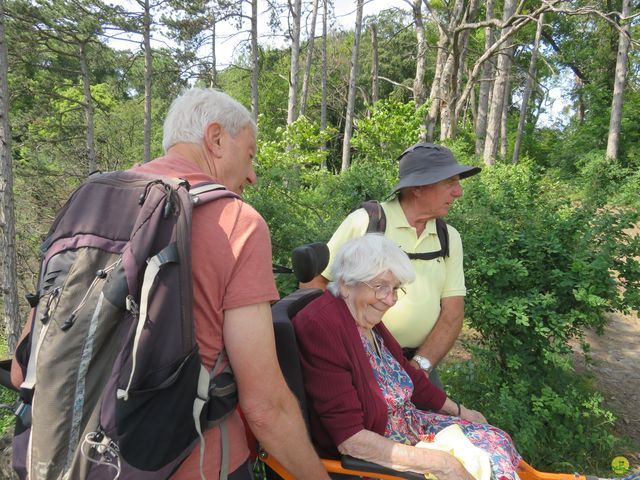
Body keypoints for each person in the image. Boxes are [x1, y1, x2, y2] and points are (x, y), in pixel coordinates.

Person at [12, 88, 329, 480]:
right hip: (195, 466)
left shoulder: (90, 206)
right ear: (215, 139)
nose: (252, 174)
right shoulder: (237, 223)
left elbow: (21, 369)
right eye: (249, 154)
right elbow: (266, 408)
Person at [293, 234, 522, 480]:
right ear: (347, 283)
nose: (390, 300)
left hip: (411, 426)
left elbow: (405, 372)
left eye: (394, 289)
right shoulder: (322, 326)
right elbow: (351, 440)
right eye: (380, 287)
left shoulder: (363, 318)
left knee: (495, 439)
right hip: (381, 449)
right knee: (490, 467)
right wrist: (443, 464)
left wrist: (459, 410)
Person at [303, 142, 480, 386]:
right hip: (357, 362)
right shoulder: (367, 223)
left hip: (419, 367)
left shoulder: (449, 237)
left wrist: (421, 365)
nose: (458, 192)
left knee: (441, 422)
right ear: (418, 187)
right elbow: (316, 283)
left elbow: (453, 311)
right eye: (450, 182)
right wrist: (336, 351)